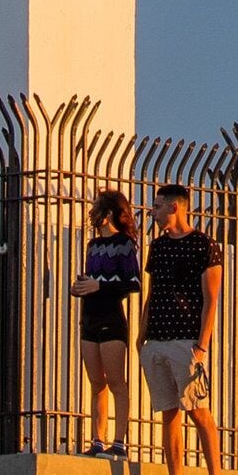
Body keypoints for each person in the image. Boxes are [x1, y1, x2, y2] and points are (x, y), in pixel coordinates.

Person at [137, 183, 229, 475]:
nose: (154, 210)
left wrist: (201, 345)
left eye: (159, 205)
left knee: (198, 410)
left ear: (175, 207)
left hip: (186, 341)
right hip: (157, 339)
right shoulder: (157, 248)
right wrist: (141, 336)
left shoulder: (204, 245)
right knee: (168, 412)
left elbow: (212, 297)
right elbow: (151, 293)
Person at [67, 188, 143, 459]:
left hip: (112, 318)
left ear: (109, 213)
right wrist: (81, 287)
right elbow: (91, 278)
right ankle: (97, 439)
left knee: (115, 381)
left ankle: (119, 442)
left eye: (97, 207)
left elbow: (132, 283)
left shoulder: (124, 244)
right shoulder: (93, 245)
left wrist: (99, 285)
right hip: (90, 317)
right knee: (95, 381)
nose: (92, 213)